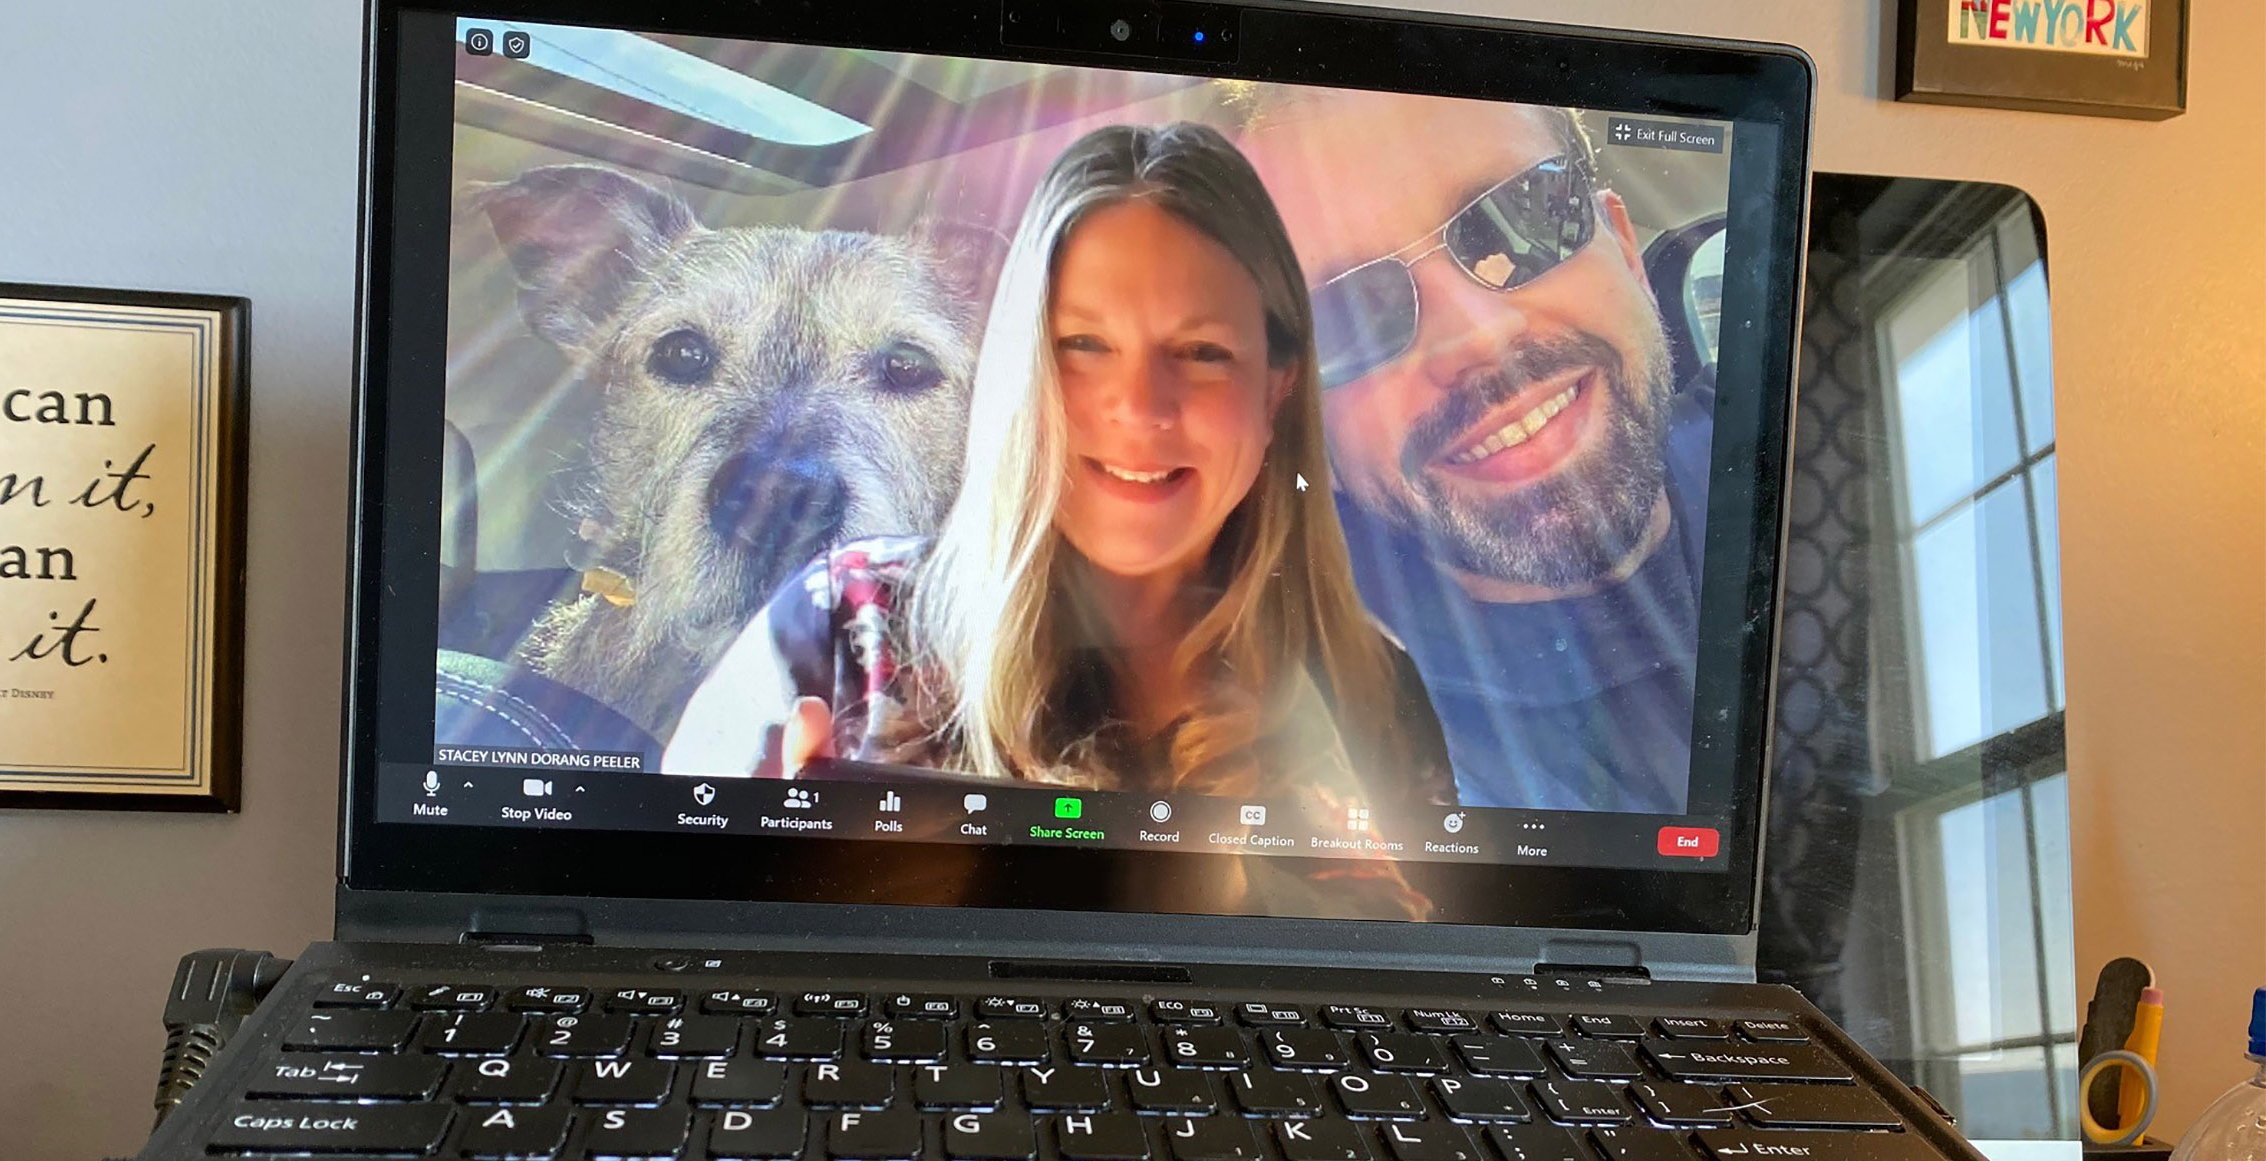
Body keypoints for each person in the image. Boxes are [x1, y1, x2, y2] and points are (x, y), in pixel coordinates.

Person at [665, 122, 1454, 919]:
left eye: (1203, 351)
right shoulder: (838, 623)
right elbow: (663, 947)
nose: (1141, 407)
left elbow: (1422, 985)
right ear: (1020, 368)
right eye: (1082, 344)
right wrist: (760, 887)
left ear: (1276, 387)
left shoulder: (1375, 685)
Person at [1236, 89, 1712, 814]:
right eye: (1345, 316)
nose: (1480, 337)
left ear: (1623, 247)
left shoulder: (1817, 462)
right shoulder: (1309, 758)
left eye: (1522, 217)